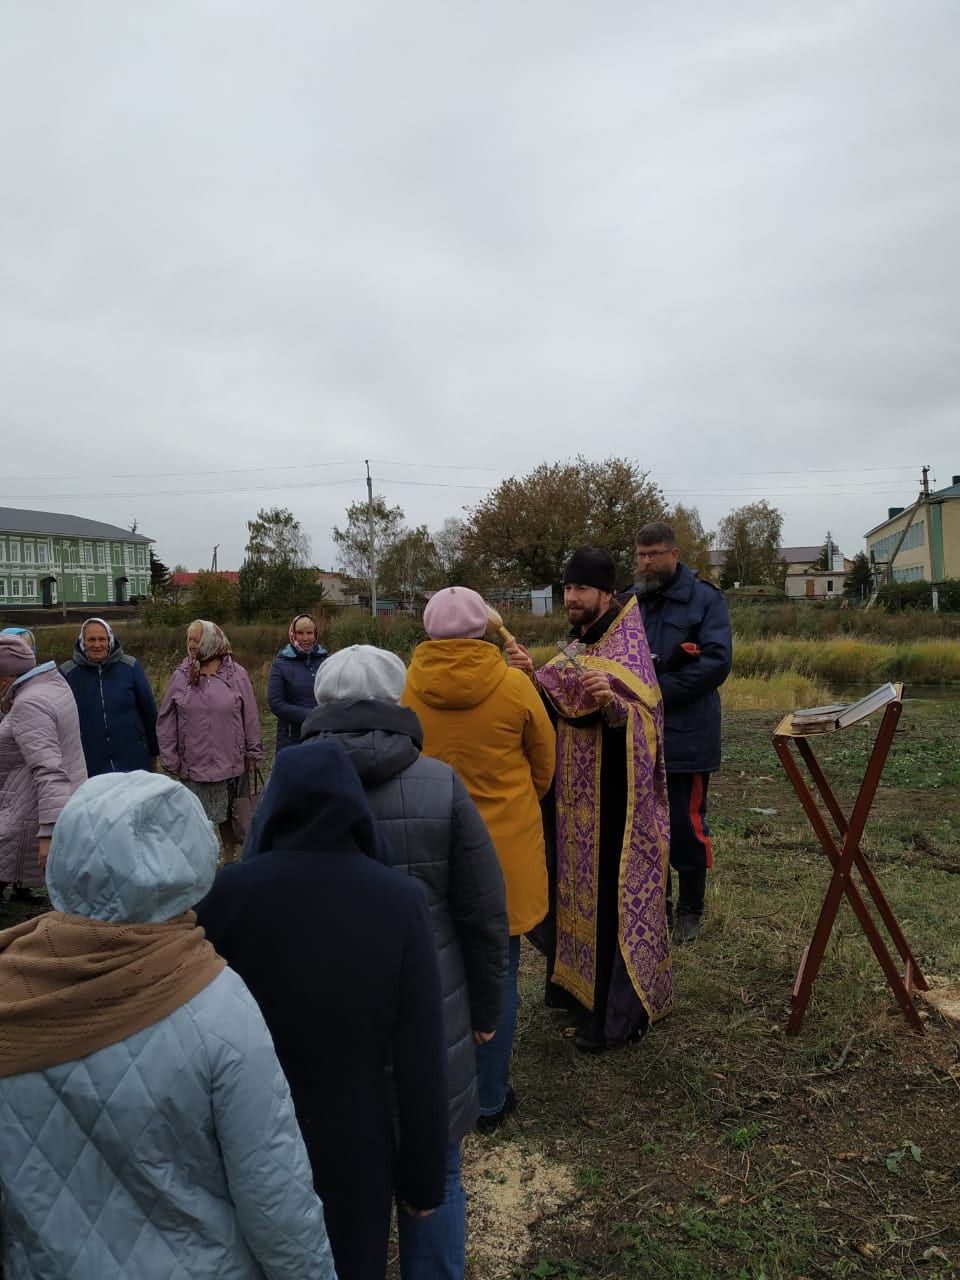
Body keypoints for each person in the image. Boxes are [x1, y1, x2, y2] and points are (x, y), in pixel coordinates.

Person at [0, 770, 336, 1280]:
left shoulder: (11, 990)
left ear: (65, 857)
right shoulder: (219, 1005)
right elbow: (274, 1193)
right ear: (191, 860)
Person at [197, 737, 449, 1280]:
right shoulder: (397, 900)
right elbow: (420, 1052)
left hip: (244, 1129)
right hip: (355, 1136)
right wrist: (424, 1178)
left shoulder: (226, 893)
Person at [303, 644, 509, 1280]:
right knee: (438, 1169)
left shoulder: (293, 783)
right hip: (431, 1010)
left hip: (327, 1016)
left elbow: (266, 901)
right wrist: (488, 1008)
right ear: (399, 699)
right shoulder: (439, 782)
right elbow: (482, 913)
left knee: (337, 1182)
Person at [505, 547, 672, 1053]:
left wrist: (615, 707)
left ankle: (615, 1015)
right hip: (572, 800)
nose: (571, 598)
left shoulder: (627, 644)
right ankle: (576, 993)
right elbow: (553, 698)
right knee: (570, 891)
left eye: (580, 589)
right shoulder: (582, 639)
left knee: (605, 901)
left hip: (614, 806)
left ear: (604, 591)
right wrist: (527, 673)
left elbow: (646, 720)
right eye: (567, 589)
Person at [403, 586, 555, 1131]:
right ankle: (490, 1099)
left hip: (429, 852)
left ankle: (443, 1095)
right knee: (501, 976)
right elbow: (545, 762)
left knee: (437, 978)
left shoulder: (405, 690)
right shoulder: (515, 686)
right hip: (503, 857)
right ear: (481, 631)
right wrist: (515, 806)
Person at [627, 521, 732, 942]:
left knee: (685, 826)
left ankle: (691, 906)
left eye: (654, 553)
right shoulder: (632, 602)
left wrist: (655, 690)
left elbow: (716, 662)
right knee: (645, 826)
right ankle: (657, 904)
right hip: (638, 736)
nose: (647, 561)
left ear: (675, 554)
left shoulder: (705, 601)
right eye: (640, 554)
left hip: (687, 735)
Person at [156, 620, 262, 861]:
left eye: (197, 640)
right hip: (193, 764)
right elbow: (166, 721)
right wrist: (169, 757)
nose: (192, 645)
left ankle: (229, 860)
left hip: (230, 763)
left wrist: (253, 752)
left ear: (211, 642)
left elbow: (251, 716)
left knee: (228, 817)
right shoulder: (181, 676)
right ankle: (198, 865)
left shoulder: (236, 675)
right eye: (189, 640)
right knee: (195, 820)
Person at [0, 633, 87, 916]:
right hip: (46, 799)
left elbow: (49, 770)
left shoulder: (29, 704)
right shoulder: (52, 686)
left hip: (28, 809)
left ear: (5, 677)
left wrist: (50, 831)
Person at [60, 616, 159, 775]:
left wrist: (154, 751)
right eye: (91, 639)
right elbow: (61, 720)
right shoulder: (68, 673)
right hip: (89, 762)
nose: (97, 645)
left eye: (102, 639)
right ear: (82, 642)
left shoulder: (130, 667)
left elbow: (149, 712)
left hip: (133, 758)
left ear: (110, 640)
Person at [268, 612, 328, 752]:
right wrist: (311, 715)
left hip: (322, 734)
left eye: (309, 633)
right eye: (300, 633)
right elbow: (276, 703)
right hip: (292, 738)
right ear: (292, 634)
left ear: (315, 634)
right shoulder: (281, 664)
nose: (305, 638)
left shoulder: (326, 661)